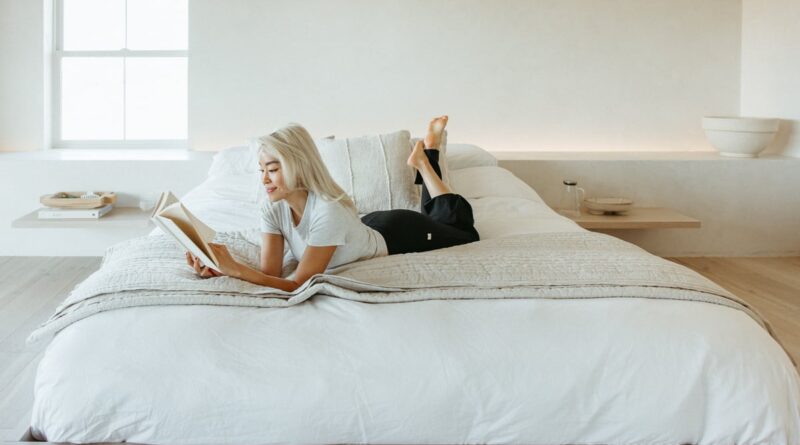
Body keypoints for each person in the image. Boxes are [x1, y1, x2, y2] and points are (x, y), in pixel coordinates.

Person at [187, 116, 479, 292]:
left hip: (398, 232)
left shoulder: (328, 211)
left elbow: (297, 284)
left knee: (460, 229)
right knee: (441, 218)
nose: (264, 179)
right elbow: (271, 274)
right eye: (261, 169)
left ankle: (427, 160)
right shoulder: (273, 207)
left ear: (297, 166)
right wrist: (222, 267)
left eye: (273, 169)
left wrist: (236, 270)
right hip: (363, 228)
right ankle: (425, 160)